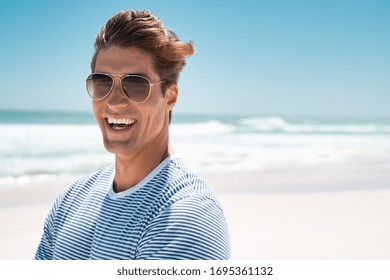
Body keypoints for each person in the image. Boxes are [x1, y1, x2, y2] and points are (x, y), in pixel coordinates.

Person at [34, 9, 230, 260]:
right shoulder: (72, 200)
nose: (114, 102)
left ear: (169, 97)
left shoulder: (187, 214)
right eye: (102, 82)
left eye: (136, 84)